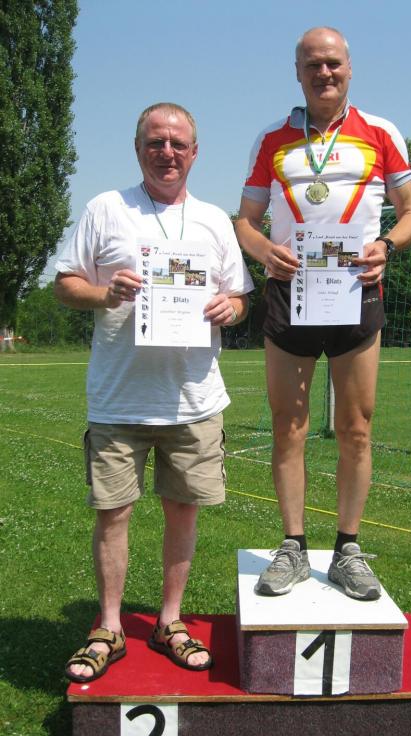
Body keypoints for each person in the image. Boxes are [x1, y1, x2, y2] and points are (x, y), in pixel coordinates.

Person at [56, 102, 254, 682]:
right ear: (138, 147)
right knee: (113, 513)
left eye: (177, 143)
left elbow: (239, 297)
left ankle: (170, 621)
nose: (167, 152)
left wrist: (231, 308)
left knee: (182, 512)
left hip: (192, 400)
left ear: (195, 152)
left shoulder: (214, 220)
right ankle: (109, 628)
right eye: (155, 142)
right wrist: (105, 294)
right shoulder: (106, 208)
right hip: (119, 397)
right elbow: (65, 284)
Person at [235, 27, 411, 601]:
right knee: (287, 426)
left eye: (333, 63)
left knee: (356, 428)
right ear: (297, 72)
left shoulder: (381, 132)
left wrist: (386, 246)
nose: (324, 73)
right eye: (313, 64)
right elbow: (244, 221)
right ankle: (292, 546)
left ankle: (348, 549)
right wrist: (264, 251)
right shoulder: (272, 138)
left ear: (349, 68)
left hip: (355, 291)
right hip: (289, 293)